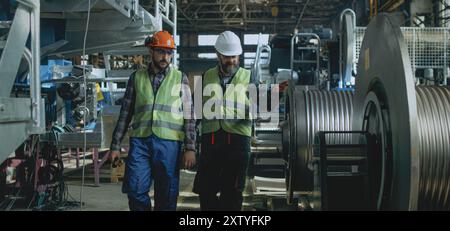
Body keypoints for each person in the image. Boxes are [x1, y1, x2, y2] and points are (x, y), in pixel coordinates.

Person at [109, 30, 196, 211]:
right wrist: (115, 145)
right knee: (135, 190)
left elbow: (189, 115)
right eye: (161, 52)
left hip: (169, 145)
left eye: (169, 53)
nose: (165, 57)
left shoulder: (180, 78)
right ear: (151, 51)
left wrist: (190, 148)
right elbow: (125, 114)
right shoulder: (136, 78)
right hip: (141, 143)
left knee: (167, 195)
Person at [193, 31, 253, 211]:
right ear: (218, 55)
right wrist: (188, 145)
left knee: (232, 193)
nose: (231, 61)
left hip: (238, 143)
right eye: (227, 57)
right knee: (206, 192)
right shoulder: (206, 77)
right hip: (211, 142)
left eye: (234, 57)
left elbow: (261, 110)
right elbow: (194, 112)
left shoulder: (249, 77)